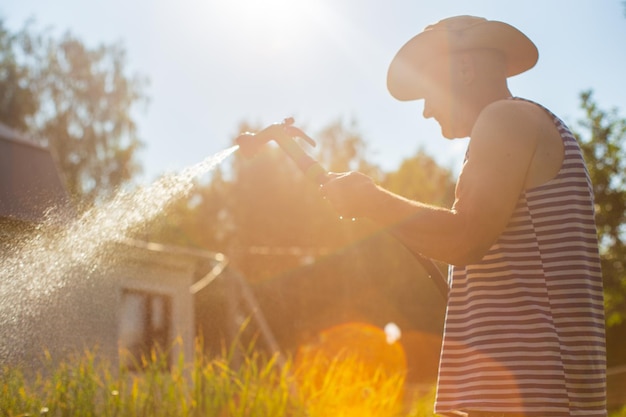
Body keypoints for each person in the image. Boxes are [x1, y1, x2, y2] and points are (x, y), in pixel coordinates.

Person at [314, 15, 606, 417]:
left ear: (465, 67)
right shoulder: (520, 128)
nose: (426, 111)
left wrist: (372, 201)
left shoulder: (507, 118)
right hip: (526, 394)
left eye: (427, 92)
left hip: (536, 397)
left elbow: (464, 238)